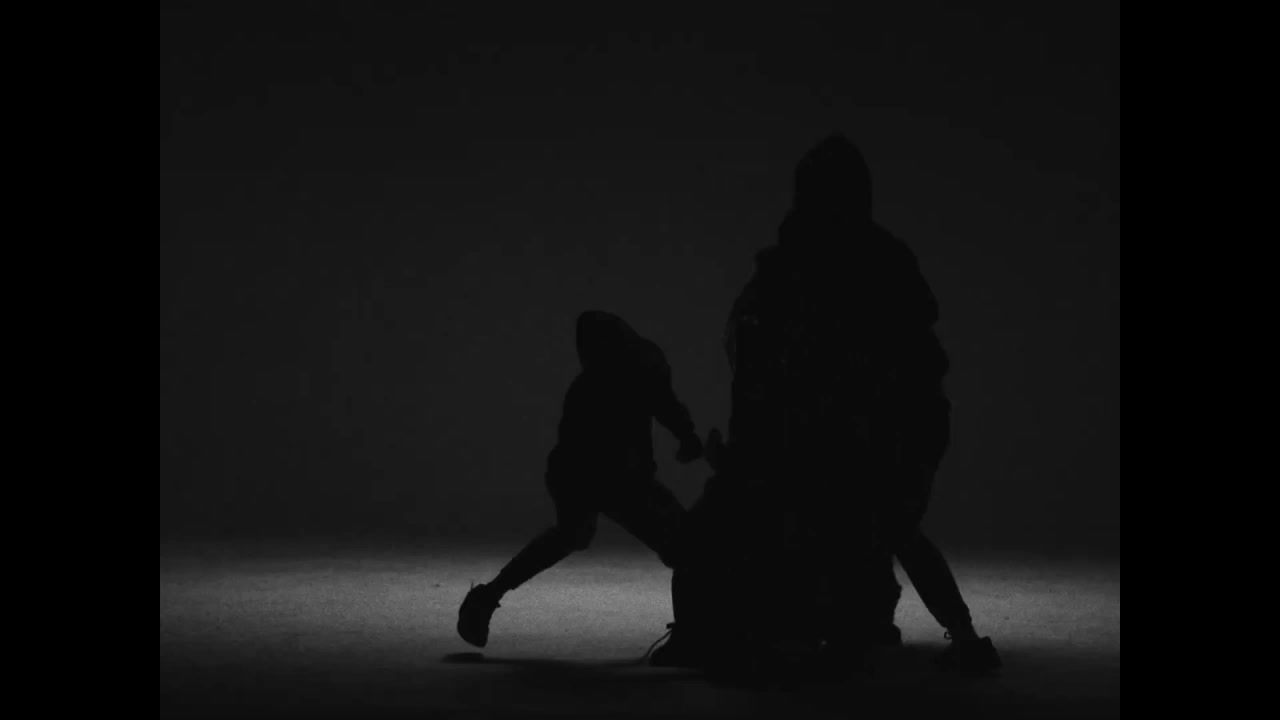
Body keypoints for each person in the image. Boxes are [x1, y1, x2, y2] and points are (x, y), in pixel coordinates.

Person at [457, 311, 704, 648]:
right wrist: (684, 440)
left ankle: (487, 597)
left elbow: (665, 407)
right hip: (596, 477)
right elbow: (659, 412)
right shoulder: (598, 387)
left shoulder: (627, 372)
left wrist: (686, 437)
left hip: (604, 477)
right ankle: (691, 632)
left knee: (583, 536)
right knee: (677, 545)